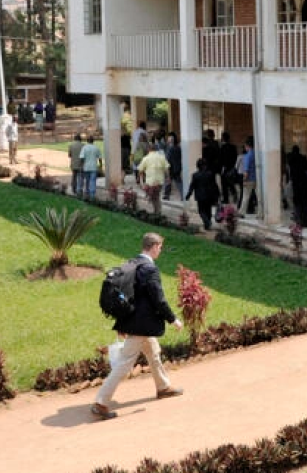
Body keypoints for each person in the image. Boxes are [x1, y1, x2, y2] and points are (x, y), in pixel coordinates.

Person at [92, 232, 184, 419]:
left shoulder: (133, 263)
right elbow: (158, 299)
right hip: (141, 324)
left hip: (134, 320)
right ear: (154, 246)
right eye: (160, 247)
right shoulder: (149, 269)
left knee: (153, 352)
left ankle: (163, 387)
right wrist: (173, 319)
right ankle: (101, 402)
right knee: (125, 363)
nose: (160, 251)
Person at [185, 158, 220, 230]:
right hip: (209, 195)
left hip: (200, 196)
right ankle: (207, 224)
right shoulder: (210, 174)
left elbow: (192, 185)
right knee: (208, 210)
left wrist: (189, 194)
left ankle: (207, 223)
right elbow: (214, 185)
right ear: (205, 166)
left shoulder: (195, 175)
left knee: (201, 211)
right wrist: (217, 194)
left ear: (197, 166)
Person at [285, 144, 307, 227]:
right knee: (305, 204)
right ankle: (306, 221)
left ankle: (299, 221)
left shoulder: (291, 160)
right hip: (305, 185)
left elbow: (289, 174)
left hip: (296, 186)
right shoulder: (304, 159)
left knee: (298, 204)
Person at [239, 136, 258, 217]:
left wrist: (244, 179)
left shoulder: (247, 156)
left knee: (245, 196)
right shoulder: (257, 154)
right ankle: (261, 213)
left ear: (247, 145)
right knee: (259, 197)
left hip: (249, 179)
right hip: (257, 179)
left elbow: (246, 171)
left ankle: (241, 213)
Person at [219, 131, 239, 206]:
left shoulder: (222, 148)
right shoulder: (233, 147)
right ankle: (234, 194)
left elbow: (221, 159)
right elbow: (235, 157)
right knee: (231, 183)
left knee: (224, 184)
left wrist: (221, 168)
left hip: (225, 168)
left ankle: (226, 199)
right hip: (232, 168)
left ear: (223, 138)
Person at [164, 132, 183, 200]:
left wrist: (167, 169)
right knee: (178, 182)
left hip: (171, 168)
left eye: (169, 138)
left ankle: (166, 195)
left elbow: (167, 159)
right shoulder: (178, 147)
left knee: (168, 180)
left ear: (171, 139)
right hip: (177, 167)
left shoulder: (170, 148)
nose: (168, 139)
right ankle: (182, 196)